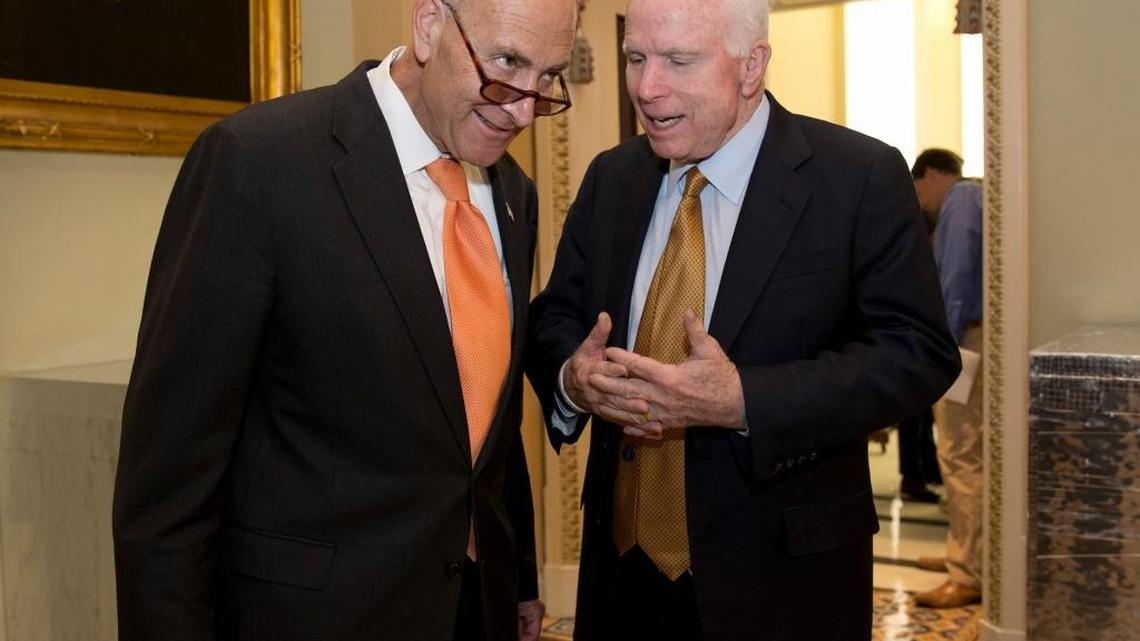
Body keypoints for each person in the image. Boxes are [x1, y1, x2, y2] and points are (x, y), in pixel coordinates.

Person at [112, 1, 578, 640]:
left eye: (548, 78)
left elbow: (479, 422)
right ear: (428, 24)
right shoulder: (259, 164)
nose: (524, 110)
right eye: (506, 63)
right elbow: (167, 491)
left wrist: (517, 573)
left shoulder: (513, 196)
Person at [525, 0, 961, 638]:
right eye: (636, 58)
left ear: (751, 66)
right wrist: (573, 379)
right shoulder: (611, 178)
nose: (648, 89)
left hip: (781, 583)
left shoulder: (857, 176)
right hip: (621, 579)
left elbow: (917, 352)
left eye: (679, 60)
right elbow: (556, 317)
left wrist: (743, 400)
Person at [910, 148, 985, 608]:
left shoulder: (959, 201)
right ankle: (967, 552)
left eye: (918, 188)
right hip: (978, 339)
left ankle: (968, 571)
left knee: (960, 454)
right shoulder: (976, 194)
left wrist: (943, 351)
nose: (921, 200)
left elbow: (954, 281)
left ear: (932, 174)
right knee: (972, 452)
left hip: (965, 344)